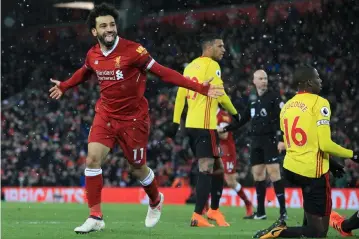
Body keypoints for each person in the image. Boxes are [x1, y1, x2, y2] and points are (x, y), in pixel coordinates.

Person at [48, 3, 224, 234]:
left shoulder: (134, 51)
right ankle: (95, 216)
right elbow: (85, 70)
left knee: (137, 168)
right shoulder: (93, 54)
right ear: (94, 31)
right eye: (103, 26)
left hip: (133, 119)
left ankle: (155, 200)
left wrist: (199, 87)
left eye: (112, 24)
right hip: (107, 115)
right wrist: (66, 85)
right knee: (92, 159)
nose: (109, 29)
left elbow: (163, 72)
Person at [252, 65, 359, 238]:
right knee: (319, 232)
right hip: (312, 172)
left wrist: (330, 163)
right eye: (317, 78)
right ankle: (280, 232)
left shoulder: (286, 107)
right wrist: (352, 155)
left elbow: (300, 143)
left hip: (291, 168)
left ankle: (296, 228)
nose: (321, 80)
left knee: (311, 214)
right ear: (309, 83)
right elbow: (324, 144)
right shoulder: (320, 103)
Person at [168, 34, 240, 227]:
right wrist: (235, 112)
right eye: (220, 46)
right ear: (208, 49)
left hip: (191, 126)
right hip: (205, 125)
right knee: (206, 168)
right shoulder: (212, 65)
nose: (224, 49)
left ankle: (214, 210)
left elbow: (180, 95)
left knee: (217, 168)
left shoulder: (190, 66)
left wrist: (175, 122)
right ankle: (198, 215)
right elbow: (220, 93)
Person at [221, 70, 287, 220]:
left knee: (274, 172)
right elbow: (242, 120)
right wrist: (226, 128)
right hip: (256, 141)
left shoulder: (274, 97)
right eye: (261, 78)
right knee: (258, 174)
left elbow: (284, 117)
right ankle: (261, 212)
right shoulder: (252, 100)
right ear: (254, 81)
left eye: (265, 78)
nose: (264, 81)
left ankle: (283, 211)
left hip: (270, 139)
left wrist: (282, 138)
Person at [216, 108, 253, 216]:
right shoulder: (207, 114)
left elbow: (224, 135)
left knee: (230, 182)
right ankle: (205, 209)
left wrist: (209, 128)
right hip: (214, 150)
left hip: (226, 151)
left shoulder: (223, 115)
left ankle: (248, 203)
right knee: (208, 177)